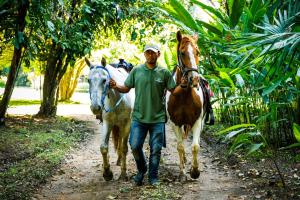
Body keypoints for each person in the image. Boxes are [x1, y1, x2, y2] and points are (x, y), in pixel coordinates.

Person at [109, 43, 186, 186]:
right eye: (147, 52)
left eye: (153, 52)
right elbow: (126, 88)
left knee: (156, 149)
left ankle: (153, 176)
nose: (150, 55)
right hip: (139, 118)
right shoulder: (137, 71)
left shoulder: (164, 73)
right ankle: (142, 169)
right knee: (134, 145)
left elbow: (173, 91)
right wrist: (115, 86)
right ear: (144, 54)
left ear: (158, 54)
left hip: (157, 119)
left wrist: (181, 86)